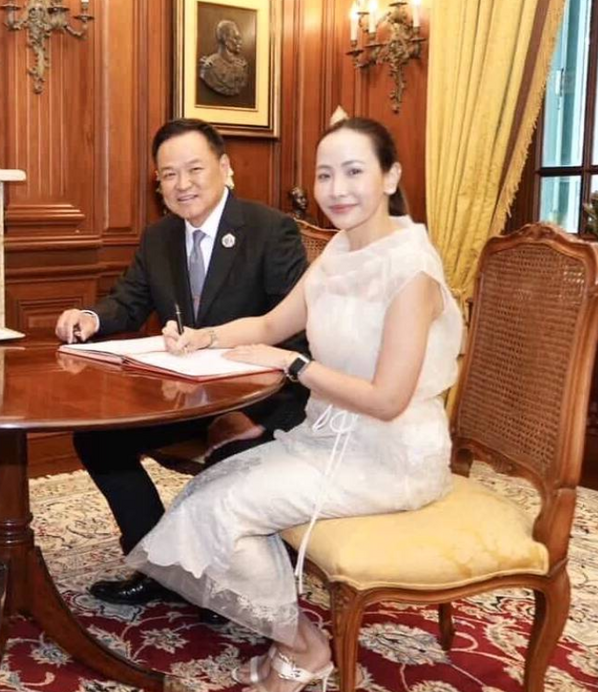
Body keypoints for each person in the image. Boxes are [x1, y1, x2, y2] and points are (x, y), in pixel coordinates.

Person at [128, 117, 464, 691]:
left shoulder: (412, 271)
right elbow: (270, 323)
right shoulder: (340, 250)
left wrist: (294, 365)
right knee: (202, 496)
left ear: (390, 177)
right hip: (330, 434)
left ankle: (304, 648)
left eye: (353, 172)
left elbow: (387, 400)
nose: (337, 189)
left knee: (223, 510)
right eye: (325, 175)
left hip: (391, 455)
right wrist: (203, 338)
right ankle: (299, 638)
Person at [54, 118, 309, 608]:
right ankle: (161, 565)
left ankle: (234, 587)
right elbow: (129, 300)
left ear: (225, 168)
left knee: (231, 461)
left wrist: (252, 412)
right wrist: (89, 317)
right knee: (97, 439)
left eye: (194, 169)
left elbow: (296, 331)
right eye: (169, 175)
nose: (182, 184)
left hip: (262, 397)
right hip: (189, 395)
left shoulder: (269, 230)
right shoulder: (159, 238)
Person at [199, 20, 249, 97]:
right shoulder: (210, 67)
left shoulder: (242, 66)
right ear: (225, 39)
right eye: (236, 38)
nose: (240, 42)